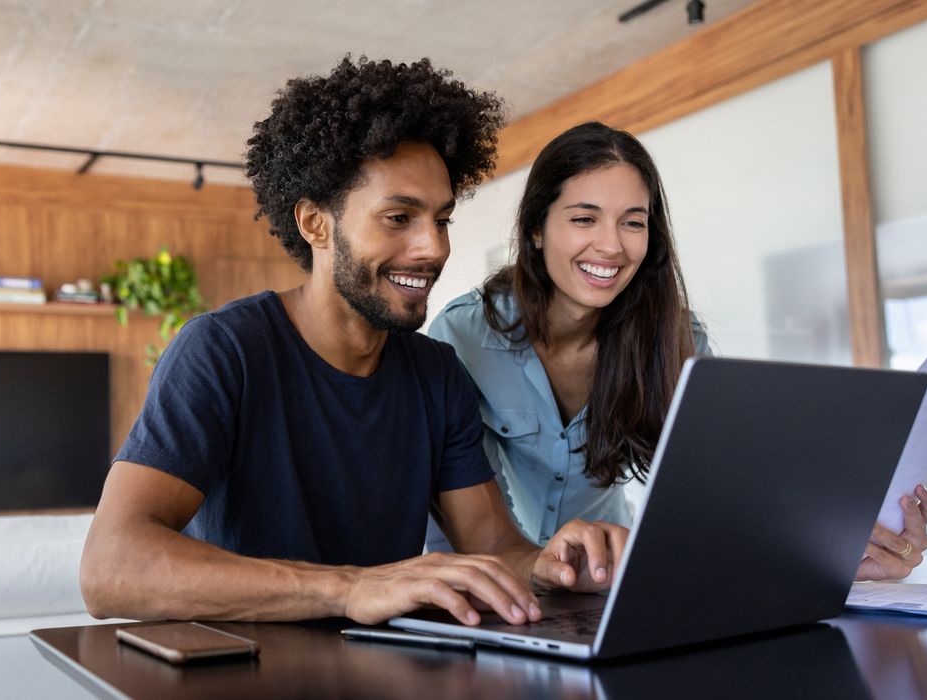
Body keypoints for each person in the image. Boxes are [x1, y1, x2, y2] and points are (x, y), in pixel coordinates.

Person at [80, 58, 630, 628]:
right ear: (316, 224)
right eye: (398, 217)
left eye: (442, 220)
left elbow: (491, 541)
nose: (433, 248)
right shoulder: (223, 352)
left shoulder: (436, 373)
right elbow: (111, 569)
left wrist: (551, 566)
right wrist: (350, 589)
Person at [426, 122, 927, 581]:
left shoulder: (675, 339)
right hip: (487, 581)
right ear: (536, 228)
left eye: (633, 221)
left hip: (607, 581)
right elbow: (465, 509)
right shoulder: (464, 335)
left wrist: (837, 547)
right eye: (584, 219)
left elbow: (731, 486)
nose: (612, 246)